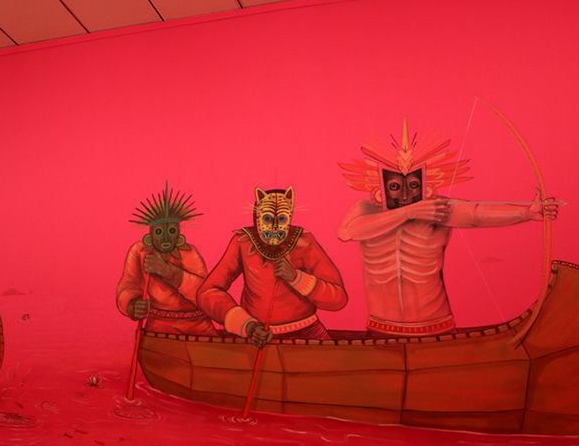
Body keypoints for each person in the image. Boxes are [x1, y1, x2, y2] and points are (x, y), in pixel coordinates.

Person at [337, 120, 559, 338]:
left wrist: (526, 212)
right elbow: (347, 232)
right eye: (395, 186)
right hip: (381, 326)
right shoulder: (365, 208)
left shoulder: (436, 208)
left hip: (435, 325)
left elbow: (477, 214)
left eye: (413, 185)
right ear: (380, 186)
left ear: (425, 183)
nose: (405, 194)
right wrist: (409, 212)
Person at [198, 187, 347, 347]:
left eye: (281, 219)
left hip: (306, 333)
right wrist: (247, 326)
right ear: (257, 217)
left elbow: (338, 298)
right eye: (268, 219)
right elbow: (208, 292)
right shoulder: (243, 242)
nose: (274, 227)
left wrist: (296, 278)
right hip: (256, 337)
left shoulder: (304, 242)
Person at [116, 184, 217, 336]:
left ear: (179, 233)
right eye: (158, 232)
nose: (165, 239)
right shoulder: (140, 251)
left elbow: (203, 294)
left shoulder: (190, 253)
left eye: (171, 231)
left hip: (197, 329)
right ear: (150, 235)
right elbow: (128, 286)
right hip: (158, 328)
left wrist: (168, 271)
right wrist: (132, 304)